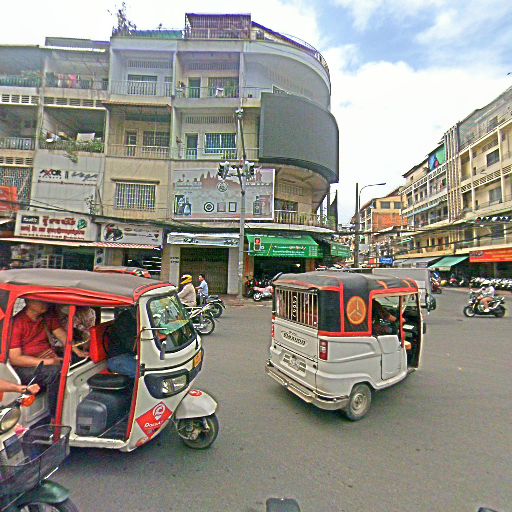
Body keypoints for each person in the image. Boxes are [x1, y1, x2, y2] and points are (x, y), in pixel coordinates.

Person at [9, 300, 66, 416]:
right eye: (39, 301)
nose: (45, 303)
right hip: (22, 368)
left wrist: (76, 350)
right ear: (28, 302)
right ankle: (55, 416)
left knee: (73, 361)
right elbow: (15, 359)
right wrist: (47, 361)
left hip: (43, 359)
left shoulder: (47, 316)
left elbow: (61, 334)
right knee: (54, 371)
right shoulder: (17, 323)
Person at [107, 307, 137, 378]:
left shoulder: (133, 317)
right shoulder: (124, 321)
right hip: (117, 358)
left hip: (128, 354)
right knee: (141, 372)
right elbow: (133, 346)